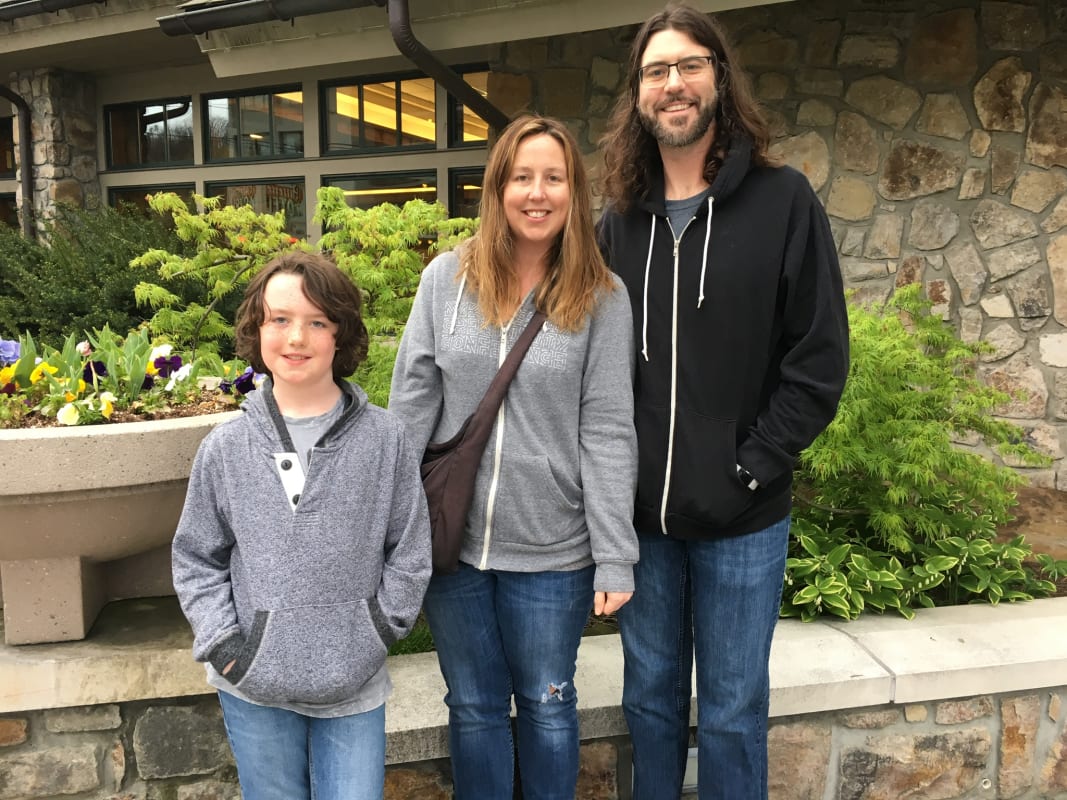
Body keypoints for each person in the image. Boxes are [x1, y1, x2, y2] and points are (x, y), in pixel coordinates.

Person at [596, 5, 849, 799]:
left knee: (735, 711)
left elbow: (818, 357)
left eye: (688, 66)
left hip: (744, 516)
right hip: (645, 524)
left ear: (718, 79)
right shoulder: (616, 225)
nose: (671, 84)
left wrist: (754, 464)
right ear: (638, 95)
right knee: (650, 703)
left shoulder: (782, 202)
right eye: (654, 71)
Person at [388, 114, 638, 800]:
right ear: (497, 188)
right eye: (521, 177)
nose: (537, 192)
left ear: (573, 192)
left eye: (552, 178)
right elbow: (409, 407)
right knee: (471, 708)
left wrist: (615, 554)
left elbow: (609, 428)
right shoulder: (446, 279)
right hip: (453, 543)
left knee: (548, 703)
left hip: (554, 551)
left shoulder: (601, 297)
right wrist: (390, 526)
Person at [172, 252, 432, 800]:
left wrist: (378, 630)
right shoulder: (225, 447)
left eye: (317, 322)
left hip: (353, 685)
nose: (297, 338)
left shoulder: (386, 440)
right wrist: (225, 646)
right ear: (257, 330)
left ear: (341, 335)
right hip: (252, 685)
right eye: (280, 319)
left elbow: (409, 551)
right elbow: (197, 558)